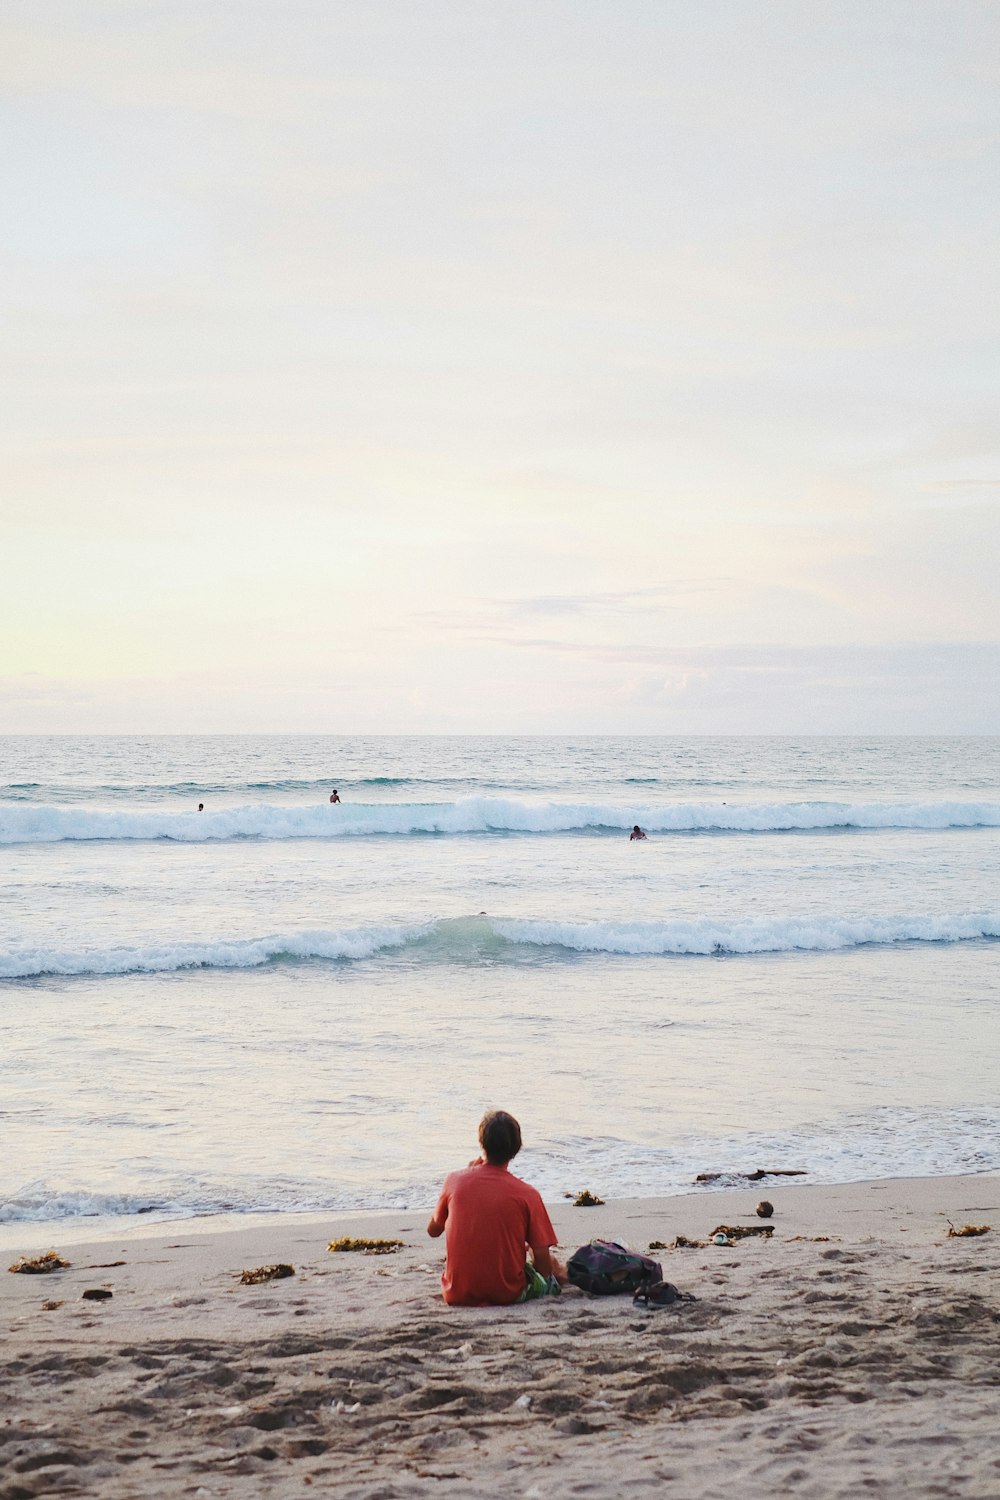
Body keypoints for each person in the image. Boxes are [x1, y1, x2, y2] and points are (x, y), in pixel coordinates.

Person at [427, 1109, 565, 1306]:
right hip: (507, 1295)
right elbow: (542, 1262)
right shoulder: (527, 1194)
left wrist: (469, 1172)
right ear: (516, 1149)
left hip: (456, 1294)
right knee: (550, 1263)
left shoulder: (454, 1180)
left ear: (481, 1143)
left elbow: (433, 1230)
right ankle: (567, 1274)